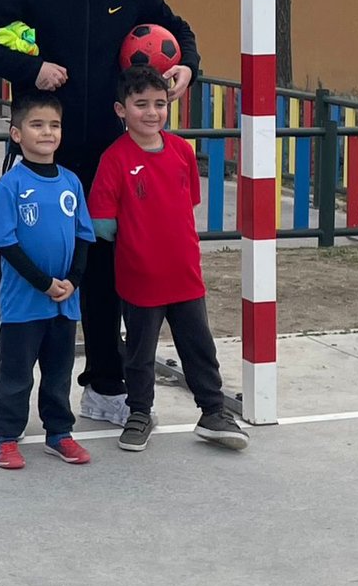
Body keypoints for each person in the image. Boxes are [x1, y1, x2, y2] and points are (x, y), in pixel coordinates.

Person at [0, 0, 200, 428]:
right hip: (45, 162)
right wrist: (31, 68)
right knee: (26, 273)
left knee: (106, 275)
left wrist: (187, 65)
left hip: (112, 163)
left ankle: (105, 386)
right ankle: (7, 387)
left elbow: (179, 31)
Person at [87, 67, 248, 453]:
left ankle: (213, 411)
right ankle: (139, 413)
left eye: (159, 104)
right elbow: (102, 224)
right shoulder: (114, 158)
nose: (151, 112)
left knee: (199, 346)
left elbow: (188, 201)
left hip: (185, 273)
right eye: (141, 104)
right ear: (121, 110)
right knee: (140, 353)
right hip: (140, 277)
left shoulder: (181, 151)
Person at [0, 92, 96, 470]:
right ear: (17, 134)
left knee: (59, 373)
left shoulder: (71, 182)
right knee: (16, 374)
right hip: (24, 304)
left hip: (65, 302)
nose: (47, 132)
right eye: (37, 125)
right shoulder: (11, 185)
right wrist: (44, 283)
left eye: (54, 125)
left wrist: (73, 281)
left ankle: (59, 433)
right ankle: (5, 435)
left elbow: (84, 235)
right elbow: (7, 244)